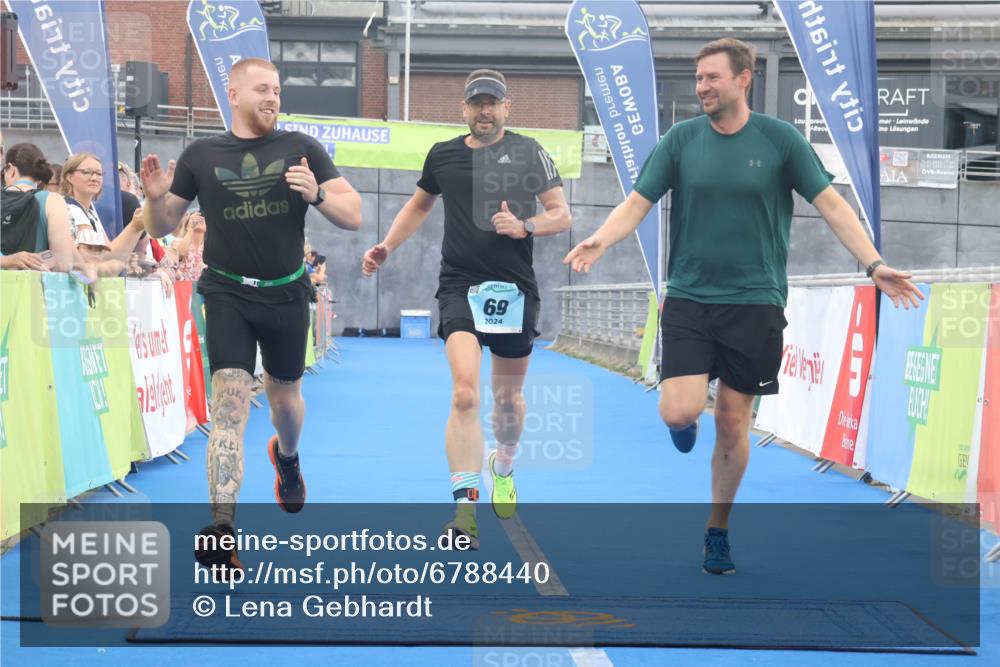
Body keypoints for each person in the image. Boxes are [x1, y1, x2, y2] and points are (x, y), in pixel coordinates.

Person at [564, 38, 923, 575]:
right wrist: (601, 239)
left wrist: (874, 265)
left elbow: (831, 205)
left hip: (755, 303)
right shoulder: (681, 140)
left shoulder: (780, 141)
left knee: (733, 421)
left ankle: (718, 531)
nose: (702, 87)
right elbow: (638, 202)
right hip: (688, 296)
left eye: (712, 77)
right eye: (698, 77)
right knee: (680, 410)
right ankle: (682, 425)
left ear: (743, 79)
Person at [141, 57, 362, 576]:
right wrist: (153, 201)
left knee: (286, 402)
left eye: (278, 91)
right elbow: (163, 221)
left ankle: (287, 458)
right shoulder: (201, 153)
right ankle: (223, 531)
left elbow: (354, 215)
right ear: (234, 93)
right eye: (262, 89)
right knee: (230, 409)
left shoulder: (301, 149)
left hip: (286, 295)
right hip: (226, 293)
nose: (273, 98)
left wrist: (319, 193)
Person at [362, 69, 571, 549]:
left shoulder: (529, 150)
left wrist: (526, 227)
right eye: (476, 103)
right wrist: (387, 247)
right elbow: (418, 206)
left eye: (492, 103)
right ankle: (464, 511)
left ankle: (506, 462)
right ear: (464, 109)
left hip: (514, 289)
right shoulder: (444, 154)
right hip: (460, 286)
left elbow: (562, 213)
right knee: (463, 395)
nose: (484, 110)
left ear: (506, 107)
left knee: (506, 402)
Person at [0, 142, 75, 272]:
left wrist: (6, 261)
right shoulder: (52, 200)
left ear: (10, 169)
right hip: (33, 289)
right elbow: (63, 262)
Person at [61, 152, 147, 254]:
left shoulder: (90, 212)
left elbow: (107, 252)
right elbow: (98, 257)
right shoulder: (70, 208)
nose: (94, 178)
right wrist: (134, 227)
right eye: (86, 172)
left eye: (98, 173)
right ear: (69, 177)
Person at [169, 209, 207, 281]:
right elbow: (181, 253)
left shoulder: (210, 247)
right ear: (187, 226)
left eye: (202, 217)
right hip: (183, 288)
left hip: (204, 288)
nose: (199, 219)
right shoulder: (177, 243)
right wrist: (191, 228)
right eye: (195, 218)